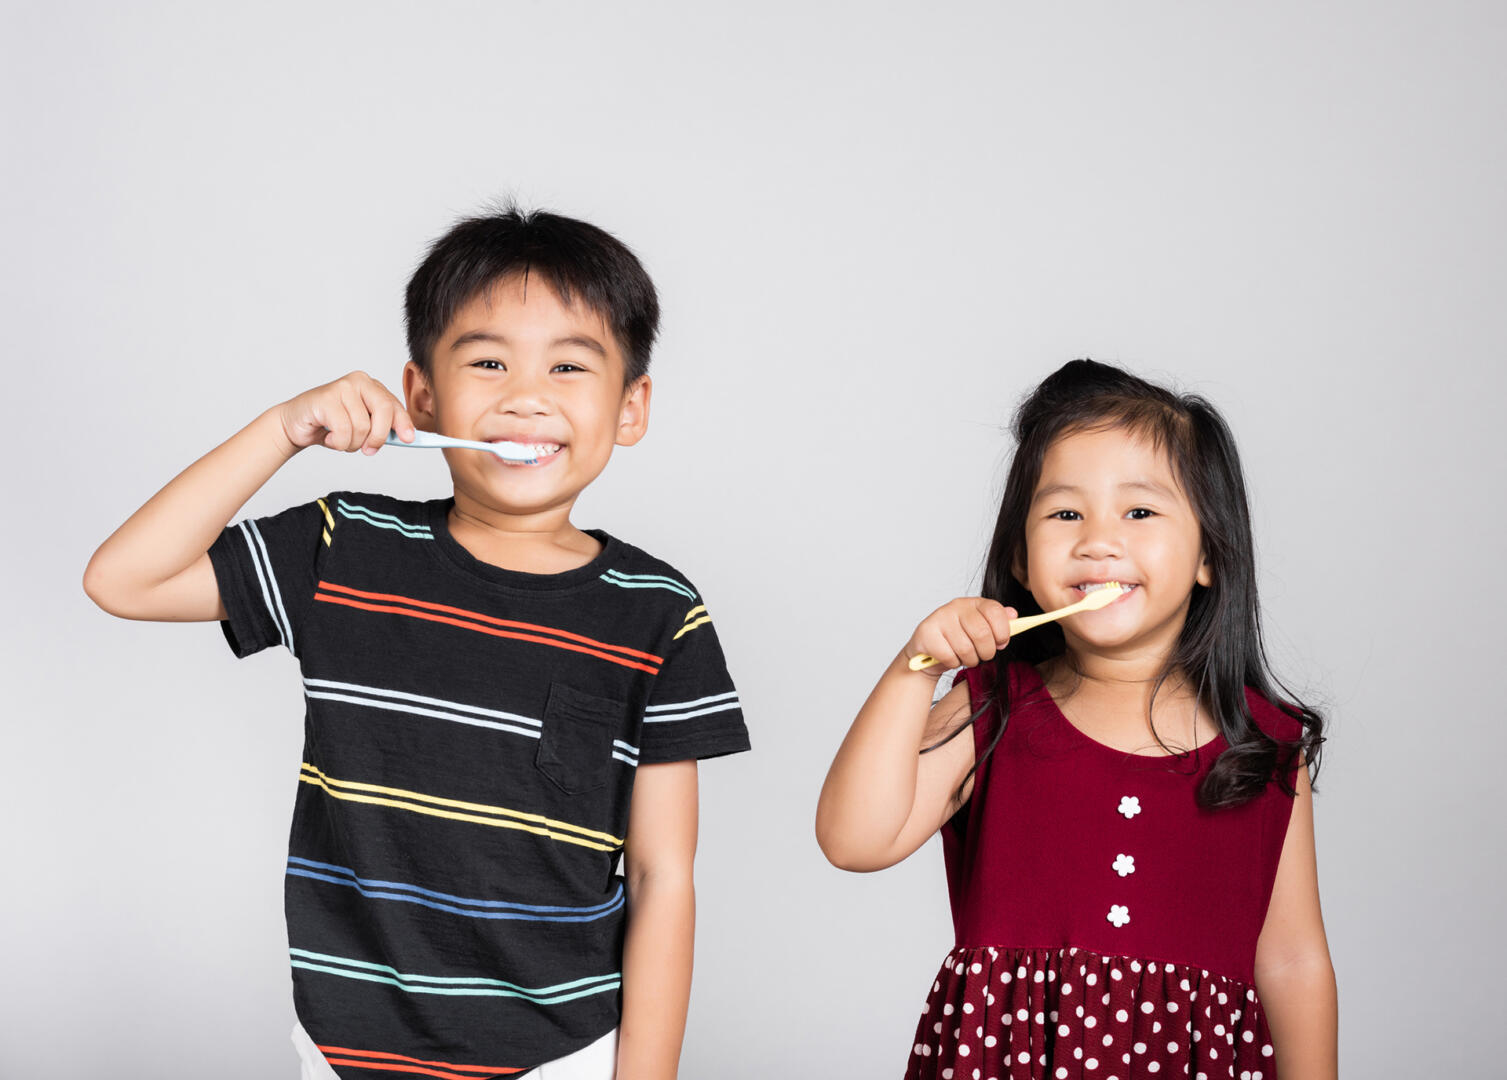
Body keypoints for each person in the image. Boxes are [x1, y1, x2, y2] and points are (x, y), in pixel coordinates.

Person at [83, 206, 749, 1080]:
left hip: (566, 1055)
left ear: (631, 407)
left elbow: (665, 877)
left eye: (567, 366)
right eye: (487, 361)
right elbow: (122, 580)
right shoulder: (342, 548)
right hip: (345, 1051)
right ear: (422, 394)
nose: (525, 395)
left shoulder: (658, 611)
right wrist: (282, 429)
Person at [815, 359, 1336, 1079]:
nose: (1097, 540)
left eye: (1139, 512)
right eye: (1064, 514)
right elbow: (853, 839)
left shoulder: (1262, 746)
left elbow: (1291, 959)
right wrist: (918, 666)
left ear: (1209, 554)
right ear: (1023, 564)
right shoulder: (991, 705)